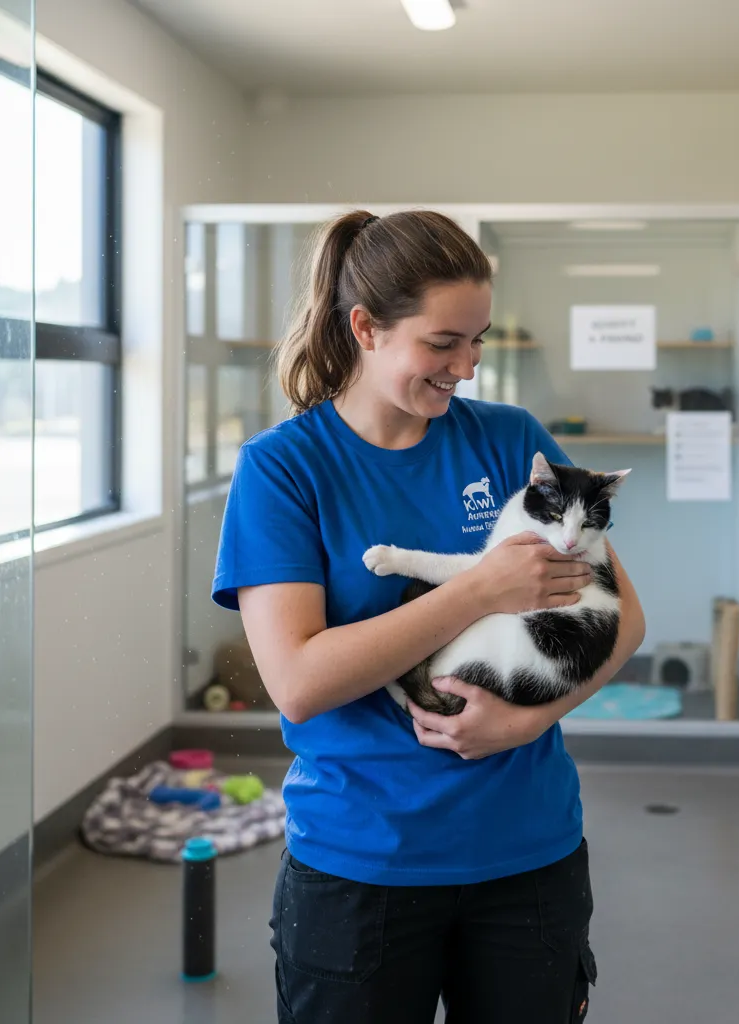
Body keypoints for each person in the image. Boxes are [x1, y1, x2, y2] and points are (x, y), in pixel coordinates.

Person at [211, 209, 645, 1024]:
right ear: (366, 328)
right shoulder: (283, 468)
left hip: (527, 853)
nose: (467, 366)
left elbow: (623, 621)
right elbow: (298, 682)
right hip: (362, 864)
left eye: (478, 341)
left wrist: (525, 722)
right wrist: (480, 590)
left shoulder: (510, 440)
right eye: (444, 343)